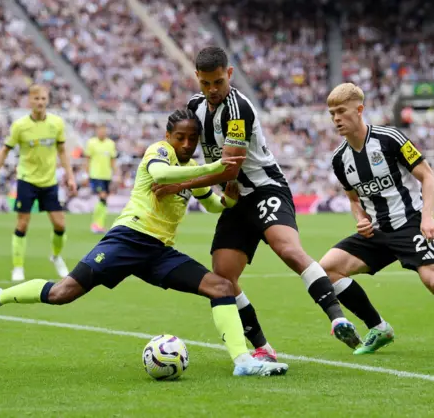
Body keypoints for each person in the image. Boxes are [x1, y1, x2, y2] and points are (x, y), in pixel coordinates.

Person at [0, 109, 289, 377]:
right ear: (168, 136)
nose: (187, 143)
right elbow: (161, 176)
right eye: (181, 137)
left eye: (192, 138)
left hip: (159, 253)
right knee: (63, 293)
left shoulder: (191, 168)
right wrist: (217, 169)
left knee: (220, 287)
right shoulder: (158, 151)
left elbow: (213, 205)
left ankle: (242, 361)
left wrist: (229, 200)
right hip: (128, 239)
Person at [153, 47, 361, 362]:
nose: (212, 89)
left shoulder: (239, 109)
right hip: (235, 202)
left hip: (265, 189)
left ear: (230, 74)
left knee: (288, 250)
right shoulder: (193, 108)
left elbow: (230, 168)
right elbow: (183, 147)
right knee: (222, 278)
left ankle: (337, 318)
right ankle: (263, 347)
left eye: (218, 82)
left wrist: (178, 183)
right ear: (197, 77)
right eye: (206, 82)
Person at [319, 82, 434, 360]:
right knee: (327, 270)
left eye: (341, 112)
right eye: (332, 113)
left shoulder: (390, 139)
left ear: (359, 110)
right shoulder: (339, 160)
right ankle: (379, 328)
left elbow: (428, 176)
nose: (336, 119)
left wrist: (427, 217)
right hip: (377, 232)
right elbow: (353, 199)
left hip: (410, 223)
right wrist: (360, 219)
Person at [0, 84, 77, 282]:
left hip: (49, 182)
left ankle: (56, 256)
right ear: (29, 101)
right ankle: (18, 267)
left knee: (60, 224)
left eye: (43, 98)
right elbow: (4, 151)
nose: (40, 102)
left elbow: (62, 151)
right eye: (36, 99)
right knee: (23, 224)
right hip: (27, 180)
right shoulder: (20, 126)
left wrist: (70, 176)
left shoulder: (56, 124)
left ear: (47, 100)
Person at [85, 125, 117, 234]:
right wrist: (86, 174)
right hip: (96, 175)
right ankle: (96, 224)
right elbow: (87, 160)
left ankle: (100, 224)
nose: (102, 133)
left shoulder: (110, 144)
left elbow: (112, 160)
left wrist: (117, 173)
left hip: (106, 175)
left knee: (104, 200)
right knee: (102, 197)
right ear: (97, 131)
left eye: (104, 131)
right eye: (100, 131)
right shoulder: (91, 143)